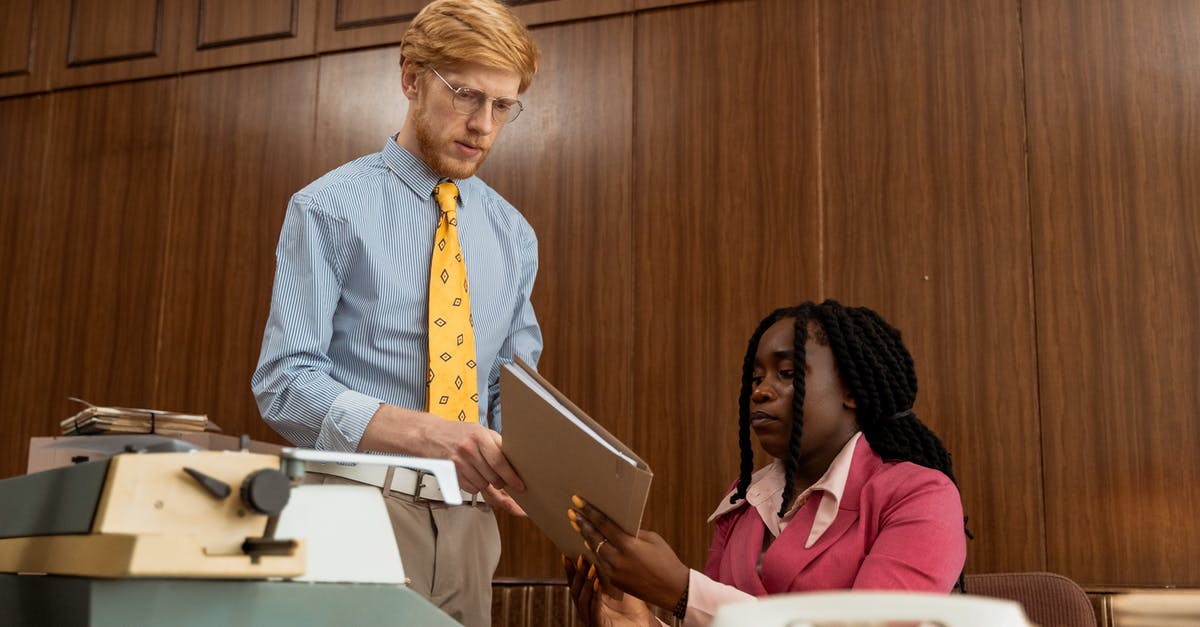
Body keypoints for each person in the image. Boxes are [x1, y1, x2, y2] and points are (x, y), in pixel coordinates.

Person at [251, 1, 542, 624]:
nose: (483, 125)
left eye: (502, 106)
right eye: (467, 95)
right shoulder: (326, 207)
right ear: (411, 78)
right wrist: (433, 435)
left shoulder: (515, 236)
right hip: (350, 515)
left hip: (471, 532)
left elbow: (508, 390)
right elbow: (283, 384)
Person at [564, 300, 968, 626]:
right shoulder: (743, 499)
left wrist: (684, 592)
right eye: (756, 379)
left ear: (852, 391)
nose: (760, 392)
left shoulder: (921, 497)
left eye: (788, 373)